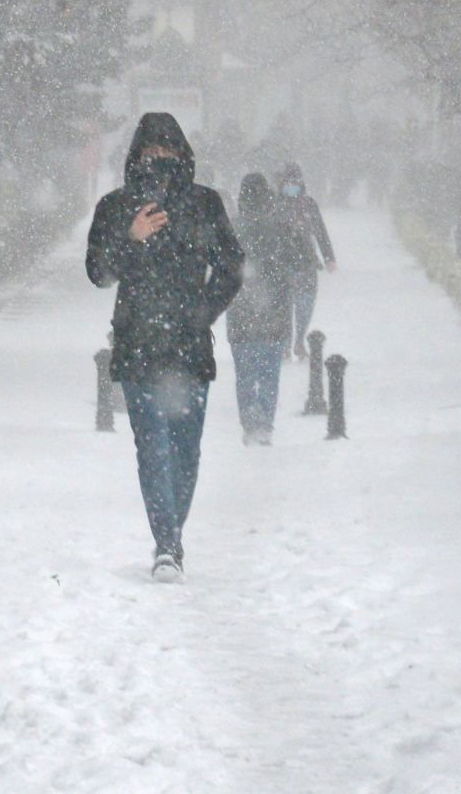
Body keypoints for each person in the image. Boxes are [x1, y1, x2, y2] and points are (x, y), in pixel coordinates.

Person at [86, 113, 243, 582]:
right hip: (137, 347)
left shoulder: (204, 205)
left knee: (186, 449)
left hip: (189, 349)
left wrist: (202, 311)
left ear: (183, 155)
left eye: (168, 153)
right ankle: (167, 544)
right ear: (135, 156)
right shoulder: (115, 207)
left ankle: (171, 534)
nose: (159, 161)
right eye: (150, 153)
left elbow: (232, 267)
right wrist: (129, 238)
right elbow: (98, 272)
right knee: (151, 447)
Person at [227, 174, 301, 446]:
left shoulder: (232, 227)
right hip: (275, 310)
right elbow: (295, 261)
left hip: (240, 312)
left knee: (244, 373)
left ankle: (248, 423)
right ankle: (265, 422)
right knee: (269, 372)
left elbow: (222, 267)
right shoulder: (279, 227)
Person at [273, 163, 336, 361]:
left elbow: (320, 231)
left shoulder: (309, 204)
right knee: (283, 306)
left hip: (306, 262)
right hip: (282, 262)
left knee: (305, 305)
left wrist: (329, 257)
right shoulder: (274, 204)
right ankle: (284, 345)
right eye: (288, 182)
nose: (291, 186)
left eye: (295, 182)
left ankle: (299, 341)